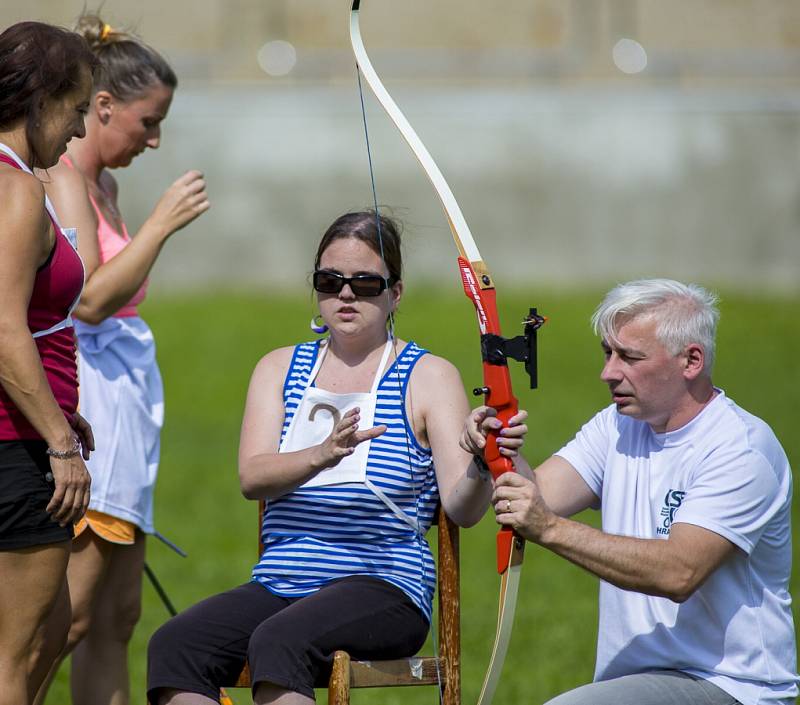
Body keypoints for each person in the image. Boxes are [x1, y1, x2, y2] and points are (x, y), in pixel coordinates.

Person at [146, 210, 526, 704]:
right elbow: (252, 476)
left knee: (280, 640)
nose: (345, 295)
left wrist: (479, 461)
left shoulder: (429, 376)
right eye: (330, 281)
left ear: (396, 292)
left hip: (385, 585)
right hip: (283, 581)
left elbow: (463, 510)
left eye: (366, 284)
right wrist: (321, 455)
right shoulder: (278, 367)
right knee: (175, 645)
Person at [463, 278, 798, 705]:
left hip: (731, 687)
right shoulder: (617, 425)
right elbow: (538, 495)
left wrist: (548, 528)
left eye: (629, 357)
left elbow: (679, 573)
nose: (608, 373)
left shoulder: (741, 448)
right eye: (608, 353)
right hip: (636, 683)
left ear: (691, 360)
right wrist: (493, 448)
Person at [34, 15, 210, 705]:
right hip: (92, 405)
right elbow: (90, 297)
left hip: (127, 408)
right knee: (67, 615)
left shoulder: (104, 183)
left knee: (116, 615)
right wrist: (163, 223)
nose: (155, 139)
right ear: (101, 107)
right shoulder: (65, 176)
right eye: (147, 121)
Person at [0, 20, 96, 704]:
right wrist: (58, 442)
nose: (80, 131)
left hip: (29, 428)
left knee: (55, 625)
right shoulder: (17, 190)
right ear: (38, 100)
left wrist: (58, 411)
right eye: (76, 110)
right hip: (15, 446)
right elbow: (3, 329)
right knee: (16, 652)